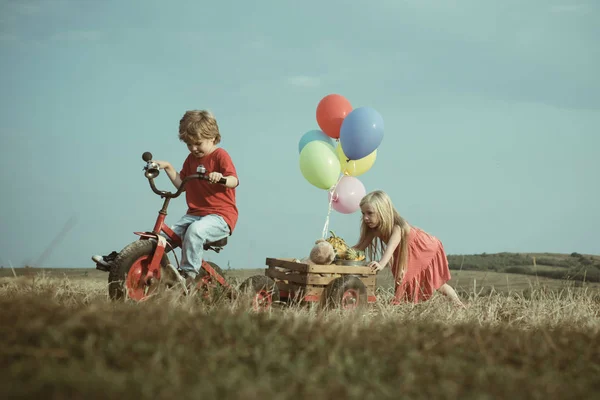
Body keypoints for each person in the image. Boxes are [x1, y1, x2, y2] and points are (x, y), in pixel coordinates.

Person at [93, 110, 239, 289]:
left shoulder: (220, 155)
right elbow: (182, 185)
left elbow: (234, 181)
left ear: (213, 137)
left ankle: (188, 276)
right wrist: (168, 166)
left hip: (220, 217)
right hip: (195, 214)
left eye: (198, 143)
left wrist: (220, 177)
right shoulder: (191, 159)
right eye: (189, 144)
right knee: (161, 238)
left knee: (194, 231)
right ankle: (124, 262)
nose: (193, 148)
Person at [353, 190, 465, 307]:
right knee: (404, 281)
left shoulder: (398, 226)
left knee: (431, 283)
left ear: (383, 212)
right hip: (404, 252)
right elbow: (360, 247)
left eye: (370, 213)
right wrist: (339, 252)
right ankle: (407, 306)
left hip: (422, 248)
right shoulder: (373, 229)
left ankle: (458, 304)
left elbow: (390, 248)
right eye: (363, 213)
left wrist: (381, 264)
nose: (365, 218)